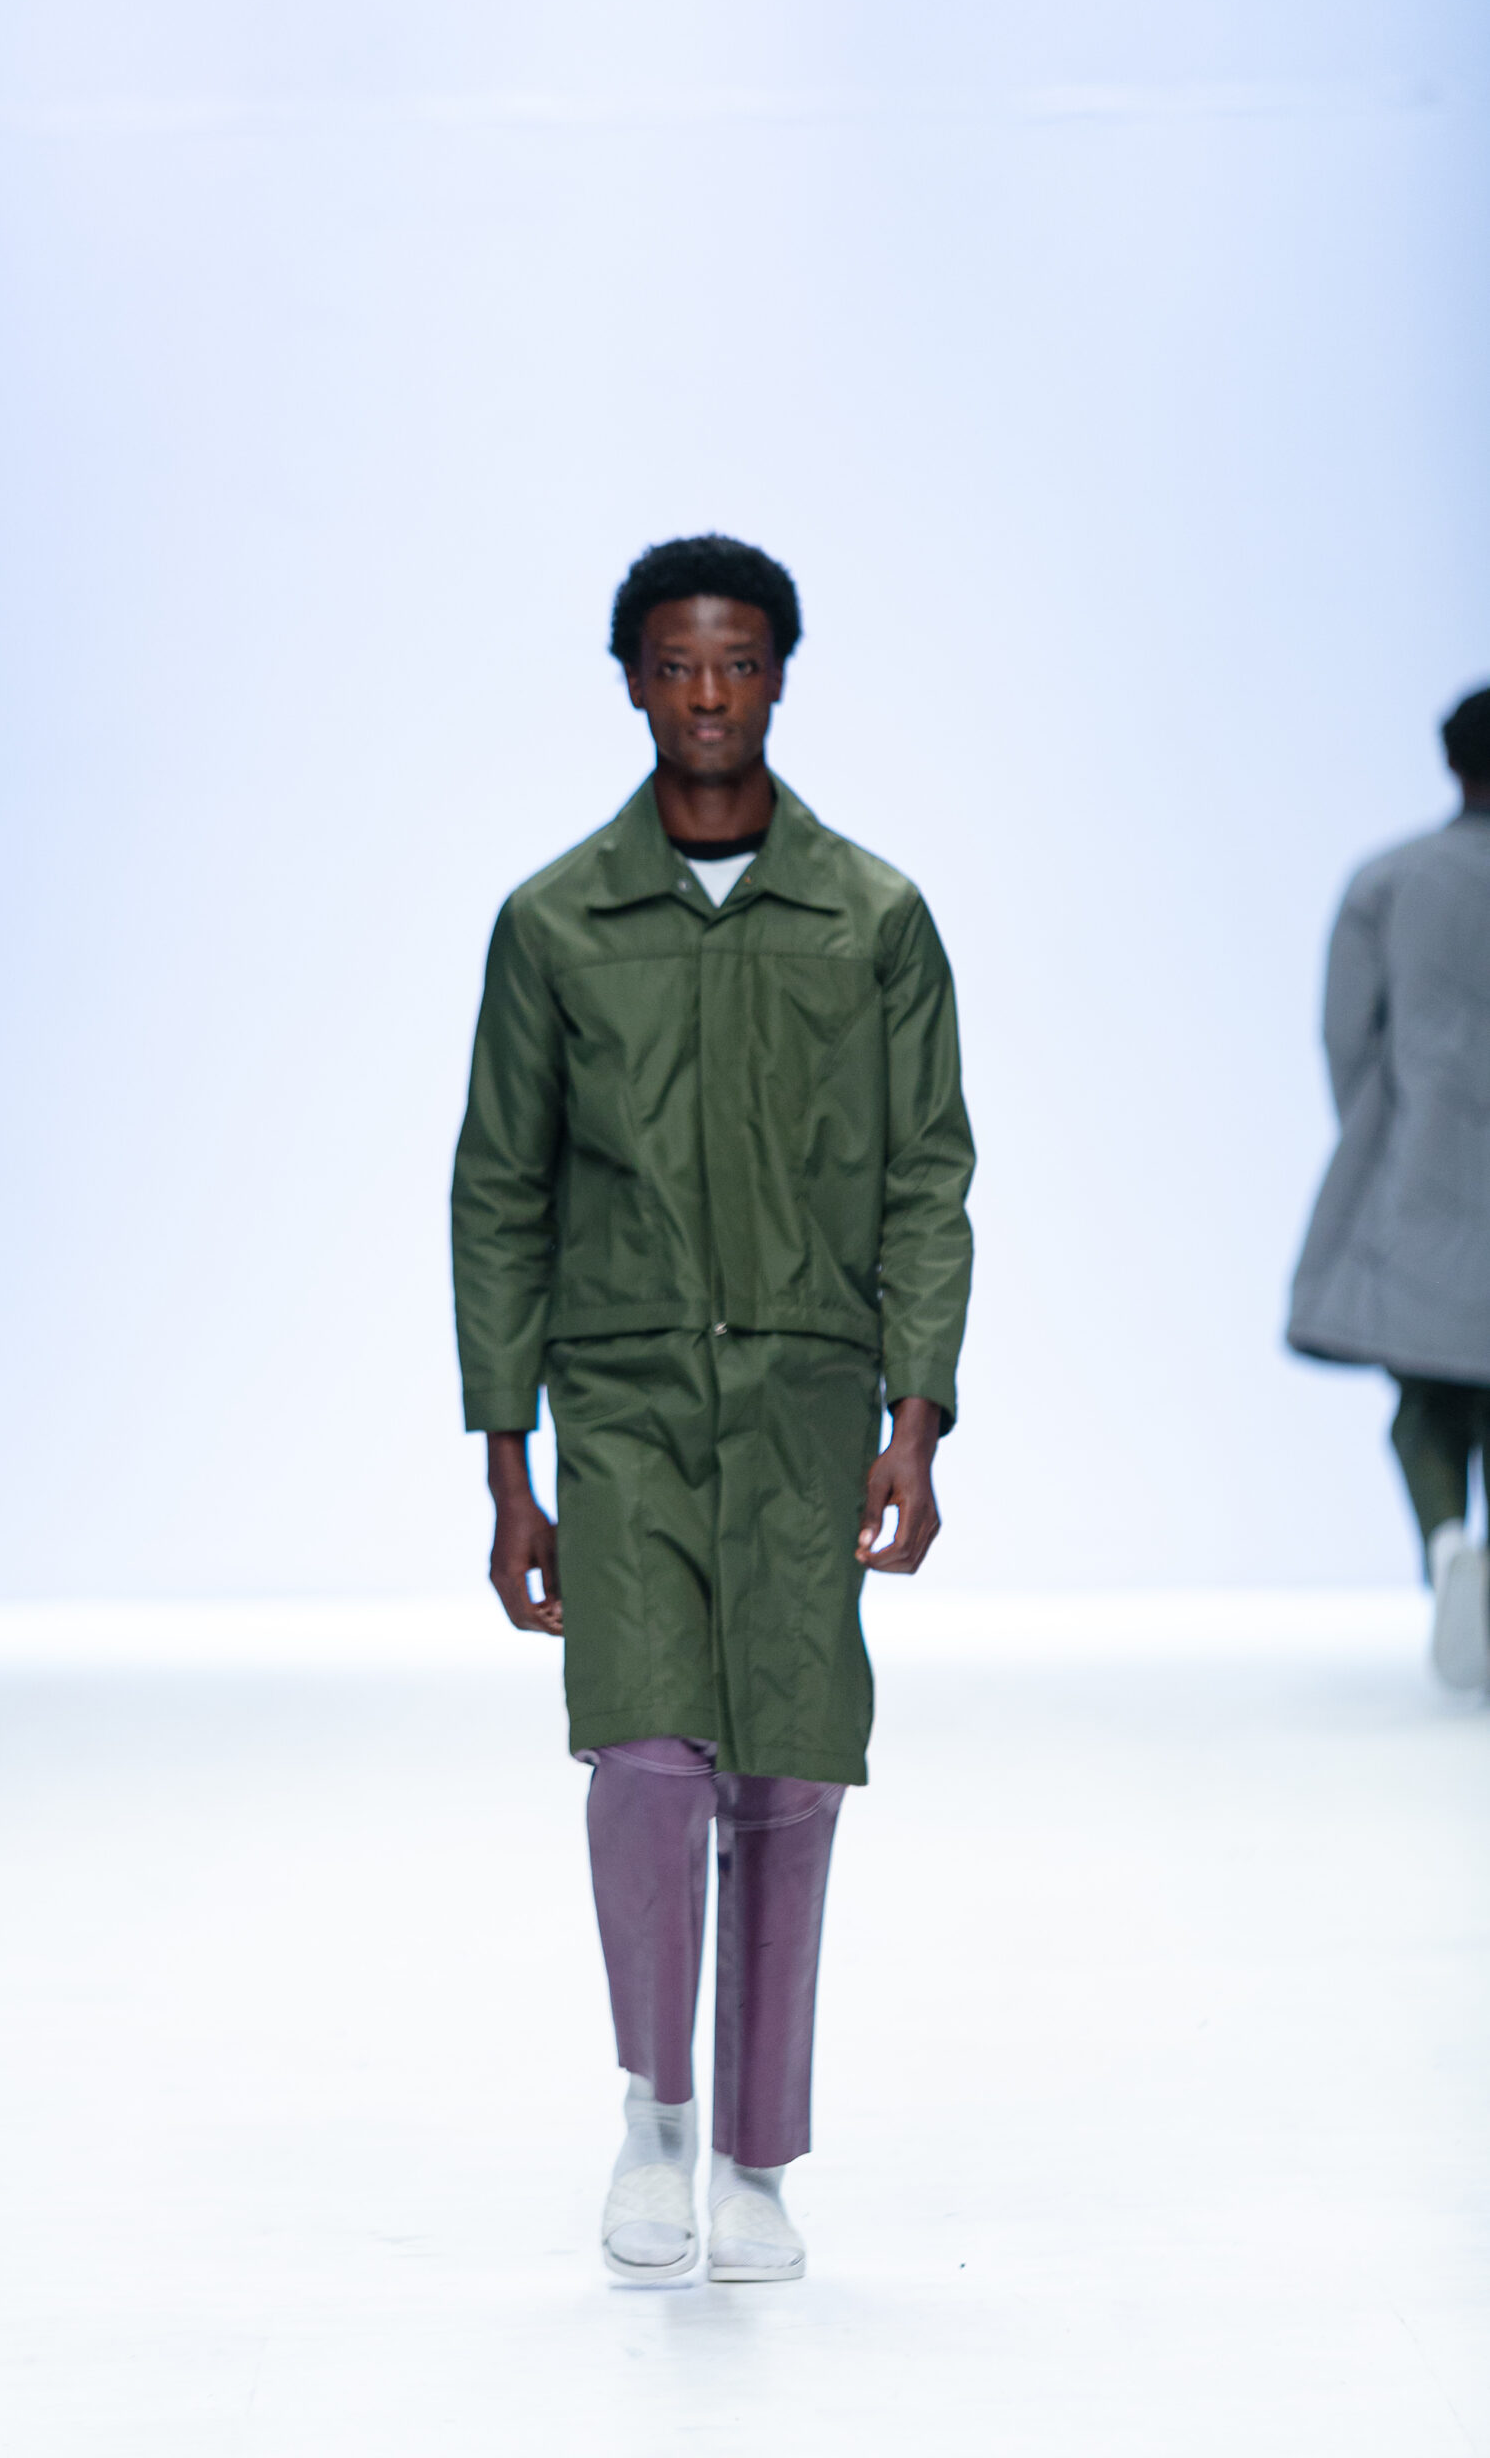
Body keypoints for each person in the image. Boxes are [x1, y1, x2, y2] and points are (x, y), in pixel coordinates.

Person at [451, 535, 974, 2283]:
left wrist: (913, 1420)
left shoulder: (870, 918)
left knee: (790, 1776)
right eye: (673, 664)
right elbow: (497, 1192)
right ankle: (657, 2116)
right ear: (629, 681)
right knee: (645, 1759)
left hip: (808, 1395)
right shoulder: (552, 923)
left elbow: (925, 1175)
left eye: (734, 662)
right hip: (619, 1396)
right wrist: (506, 1468)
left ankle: (759, 2158)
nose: (704, 695)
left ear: (778, 677)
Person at [1288, 686, 1490, 1691]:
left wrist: (1380, 1139)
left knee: (1425, 1396)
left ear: (1453, 762)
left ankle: (1448, 1544)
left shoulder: (1389, 880)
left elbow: (1345, 1037)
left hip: (1427, 1164)